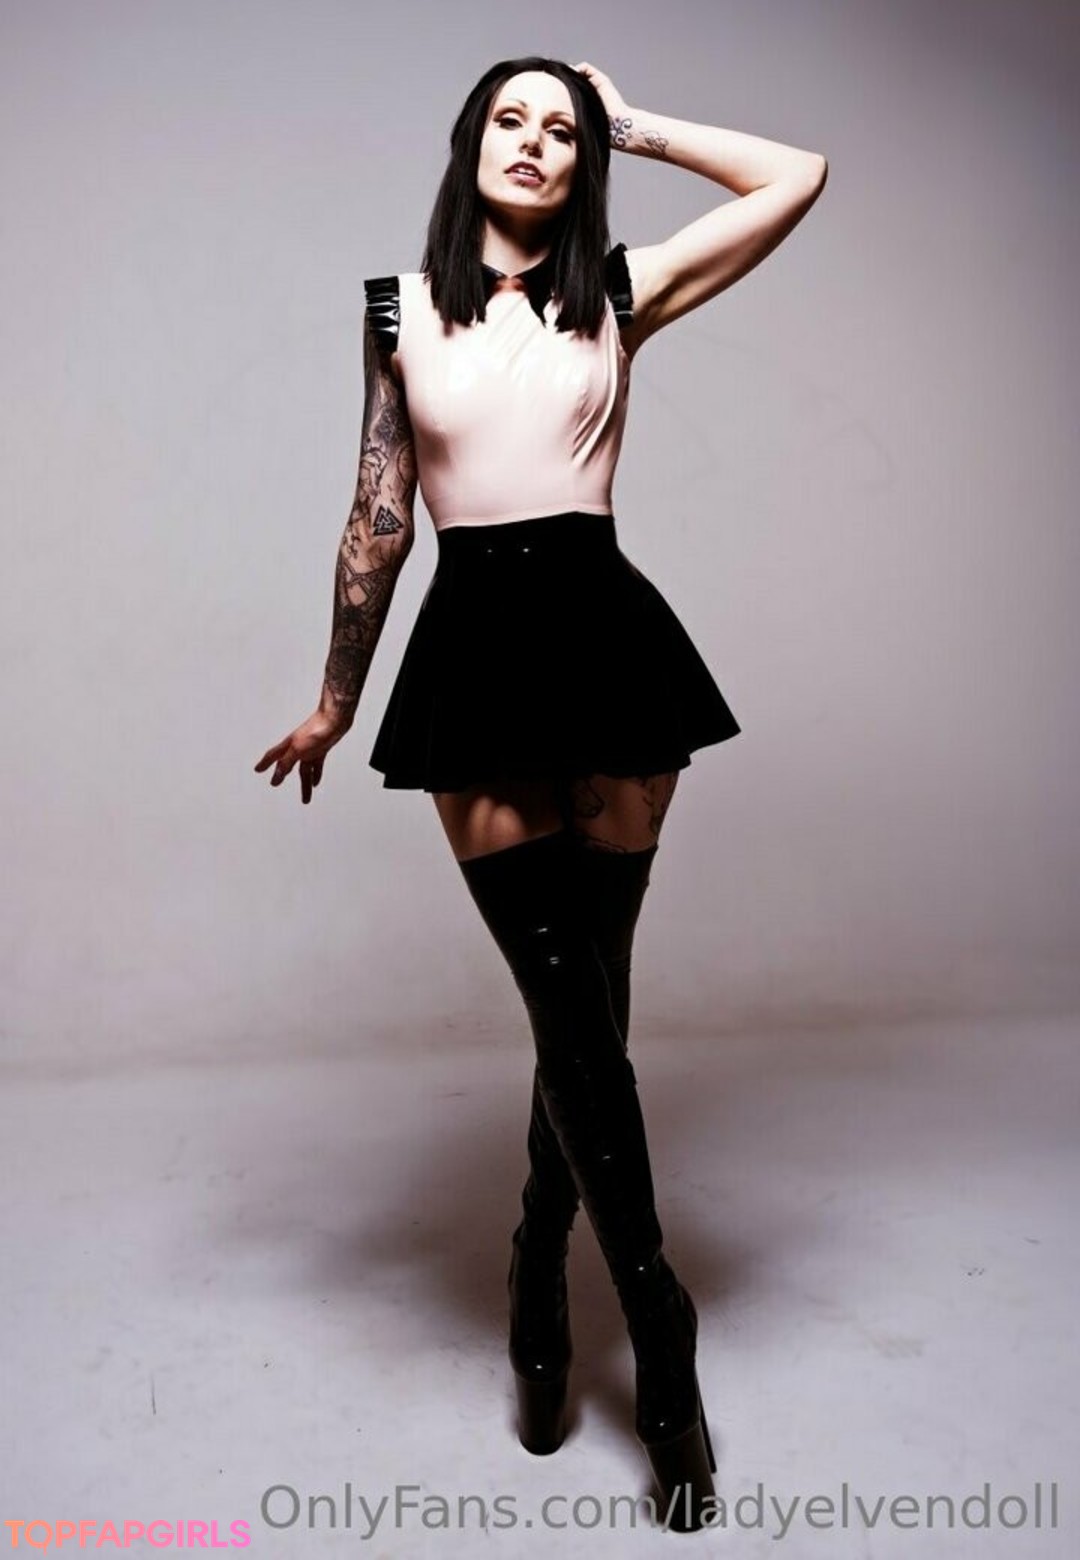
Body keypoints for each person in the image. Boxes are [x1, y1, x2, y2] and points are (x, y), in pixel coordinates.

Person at [255, 55, 826, 1532]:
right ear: (470, 146)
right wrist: (338, 699)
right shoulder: (397, 309)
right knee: (569, 1002)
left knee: (589, 1000)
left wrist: (634, 120)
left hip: (609, 640)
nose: (536, 143)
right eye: (512, 119)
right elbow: (378, 515)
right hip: (475, 658)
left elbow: (797, 177)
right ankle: (658, 1322)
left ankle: (534, 1253)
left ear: (584, 164)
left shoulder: (619, 294)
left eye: (562, 130)